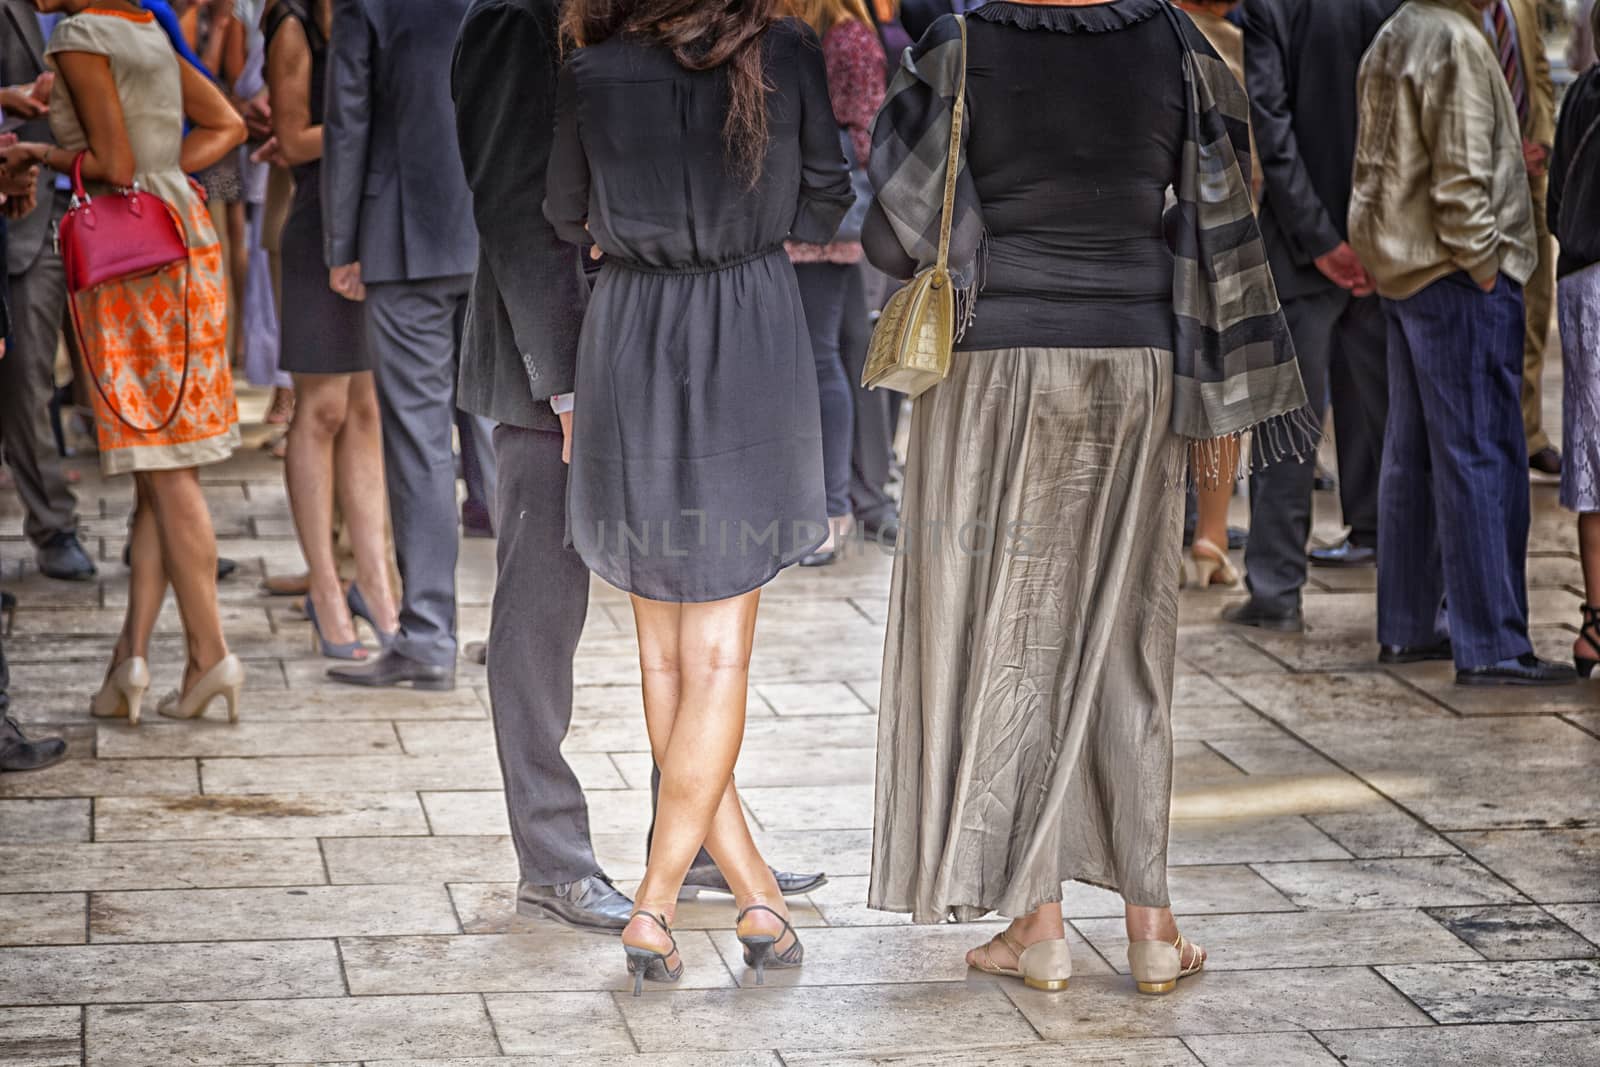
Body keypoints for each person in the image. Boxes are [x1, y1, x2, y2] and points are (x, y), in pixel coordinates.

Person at [865, 0, 1310, 995]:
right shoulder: (1182, 47)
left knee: (1012, 632)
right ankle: (1152, 925)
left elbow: (895, 230)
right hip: (1141, 358)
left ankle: (1040, 923)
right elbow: (1225, 208)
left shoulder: (958, 47)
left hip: (995, 364)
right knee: (1128, 633)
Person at [451, 0, 825, 935]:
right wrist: (571, 389)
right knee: (541, 621)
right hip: (557, 376)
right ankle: (554, 857)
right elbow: (511, 203)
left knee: (691, 605)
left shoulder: (654, 29)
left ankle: (694, 831)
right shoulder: (516, 19)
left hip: (656, 352)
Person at [545, 0, 851, 989]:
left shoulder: (588, 70)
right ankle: (656, 902)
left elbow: (562, 210)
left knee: (665, 651)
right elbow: (823, 199)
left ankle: (753, 891)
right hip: (748, 328)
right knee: (716, 649)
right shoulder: (785, 50)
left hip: (629, 330)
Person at [15, 0, 249, 721]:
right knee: (160, 469)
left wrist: (36, 154)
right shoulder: (146, 25)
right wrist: (165, 177)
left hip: (135, 270)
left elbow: (113, 165)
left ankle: (210, 654)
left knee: (168, 468)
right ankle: (131, 661)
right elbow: (228, 124)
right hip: (188, 247)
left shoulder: (82, 35)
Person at [1349, 0, 1574, 686]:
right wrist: (1485, 268)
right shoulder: (1454, 41)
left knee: (1413, 456)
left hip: (1407, 269)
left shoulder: (1401, 29)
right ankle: (1493, 640)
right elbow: (1461, 182)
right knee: (1483, 452)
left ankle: (1410, 625)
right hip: (1452, 274)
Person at [1222, 0, 1400, 629]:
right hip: (1386, 250)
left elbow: (1272, 128)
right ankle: (1403, 598)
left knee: (1287, 432)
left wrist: (1320, 240)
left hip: (1304, 254)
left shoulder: (1277, 7)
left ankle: (1276, 590)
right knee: (1388, 421)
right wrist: (1376, 236)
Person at [322, 0, 482, 691]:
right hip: (491, 231)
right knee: (501, 435)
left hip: (402, 235)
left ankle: (429, 634)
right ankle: (502, 632)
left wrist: (341, 244)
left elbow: (347, 119)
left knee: (419, 444)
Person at [259, 0, 398, 660]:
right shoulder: (292, 24)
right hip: (317, 222)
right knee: (321, 410)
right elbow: (290, 141)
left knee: (367, 408)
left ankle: (376, 584)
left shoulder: (366, 15)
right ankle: (324, 589)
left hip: (369, 227)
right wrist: (371, 121)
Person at [787, 0, 886, 567]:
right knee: (833, 357)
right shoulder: (820, 35)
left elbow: (870, 136)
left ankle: (830, 510)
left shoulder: (844, 39)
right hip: (810, 219)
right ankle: (834, 503)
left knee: (823, 359)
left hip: (822, 223)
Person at [0, 0, 96, 583]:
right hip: (19, 209)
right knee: (26, 375)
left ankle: (159, 530)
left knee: (106, 373)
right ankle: (53, 524)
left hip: (96, 205)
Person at [1489, 0, 1562, 477]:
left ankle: (1527, 429)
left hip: (1529, 172)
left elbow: (1536, 68)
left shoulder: (1524, 3)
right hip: (1479, 173)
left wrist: (1545, 142)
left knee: (1535, 302)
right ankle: (1496, 433)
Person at [1550, 0, 1600, 678]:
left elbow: (1558, 193)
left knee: (1592, 455)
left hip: (1581, 279)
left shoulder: (1583, 92)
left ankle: (1595, 617)